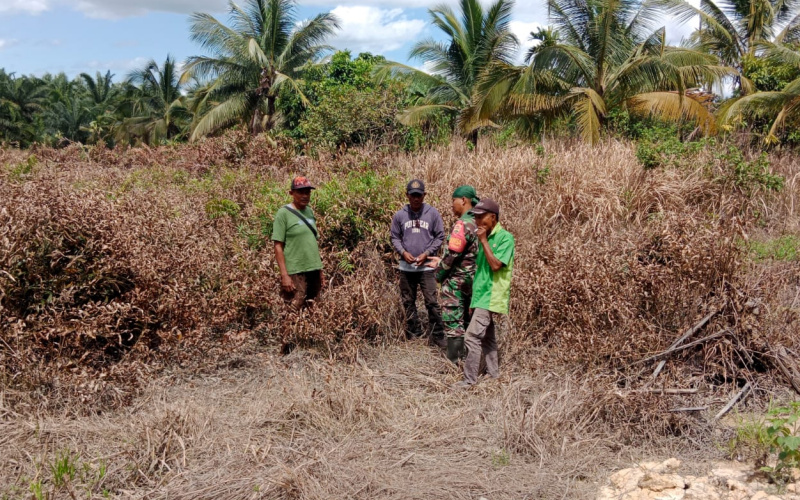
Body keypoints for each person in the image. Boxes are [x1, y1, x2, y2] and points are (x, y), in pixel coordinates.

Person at [453, 198, 515, 388]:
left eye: (481, 218)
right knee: (488, 337)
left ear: (493, 217)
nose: (478, 222)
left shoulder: (505, 238)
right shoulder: (486, 237)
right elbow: (480, 273)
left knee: (471, 337)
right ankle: (493, 374)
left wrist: (483, 241)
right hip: (481, 297)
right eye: (476, 218)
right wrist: (473, 301)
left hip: (492, 296)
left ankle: (470, 380)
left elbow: (496, 265)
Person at [426, 185, 479, 363]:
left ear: (463, 200)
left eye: (453, 201)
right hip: (474, 281)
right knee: (468, 321)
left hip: (457, 283)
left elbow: (453, 254)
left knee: (454, 322)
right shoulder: (480, 221)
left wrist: (438, 272)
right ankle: (472, 362)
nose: (452, 205)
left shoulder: (462, 224)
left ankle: (455, 364)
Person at [390, 179, 446, 347]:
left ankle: (437, 335)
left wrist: (427, 253)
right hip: (406, 267)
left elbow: (440, 236)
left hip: (426, 267)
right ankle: (414, 333)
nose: (416, 199)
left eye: (419, 196)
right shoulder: (400, 215)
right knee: (408, 300)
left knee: (431, 301)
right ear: (407, 195)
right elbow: (394, 237)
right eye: (413, 195)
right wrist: (403, 252)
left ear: (424, 195)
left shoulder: (432, 213)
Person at [272, 176, 323, 350]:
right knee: (294, 305)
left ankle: (307, 341)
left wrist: (320, 269)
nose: (305, 195)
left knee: (312, 304)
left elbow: (312, 242)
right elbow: (278, 245)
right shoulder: (283, 213)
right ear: (291, 193)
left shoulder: (309, 212)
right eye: (301, 192)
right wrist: (284, 275)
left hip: (313, 267)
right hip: (295, 268)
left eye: (307, 191)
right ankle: (286, 346)